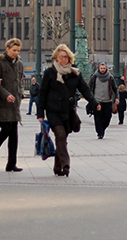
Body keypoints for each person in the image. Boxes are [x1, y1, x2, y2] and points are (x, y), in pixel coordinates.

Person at [36, 44, 97, 177]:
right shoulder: (50, 73)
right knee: (61, 135)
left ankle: (58, 167)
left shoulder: (74, 73)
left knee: (62, 139)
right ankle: (65, 164)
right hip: (53, 111)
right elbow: (43, 93)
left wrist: (94, 102)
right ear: (56, 58)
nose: (64, 60)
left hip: (68, 112)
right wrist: (40, 113)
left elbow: (84, 89)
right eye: (61, 57)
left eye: (66, 57)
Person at [0, 38, 25, 172]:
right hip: (3, 103)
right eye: (14, 50)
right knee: (6, 130)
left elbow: (19, 81)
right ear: (7, 49)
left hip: (14, 103)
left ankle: (11, 163)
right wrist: (5, 94)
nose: (16, 53)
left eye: (18, 50)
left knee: (14, 133)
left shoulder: (19, 63)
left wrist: (20, 94)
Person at [89, 63, 118, 139]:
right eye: (101, 68)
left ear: (106, 69)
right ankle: (99, 132)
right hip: (97, 101)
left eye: (104, 68)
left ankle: (102, 129)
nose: (102, 70)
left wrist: (117, 98)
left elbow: (115, 88)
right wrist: (90, 99)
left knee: (108, 117)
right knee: (98, 118)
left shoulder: (110, 77)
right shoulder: (94, 77)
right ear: (99, 68)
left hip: (107, 101)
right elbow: (89, 88)